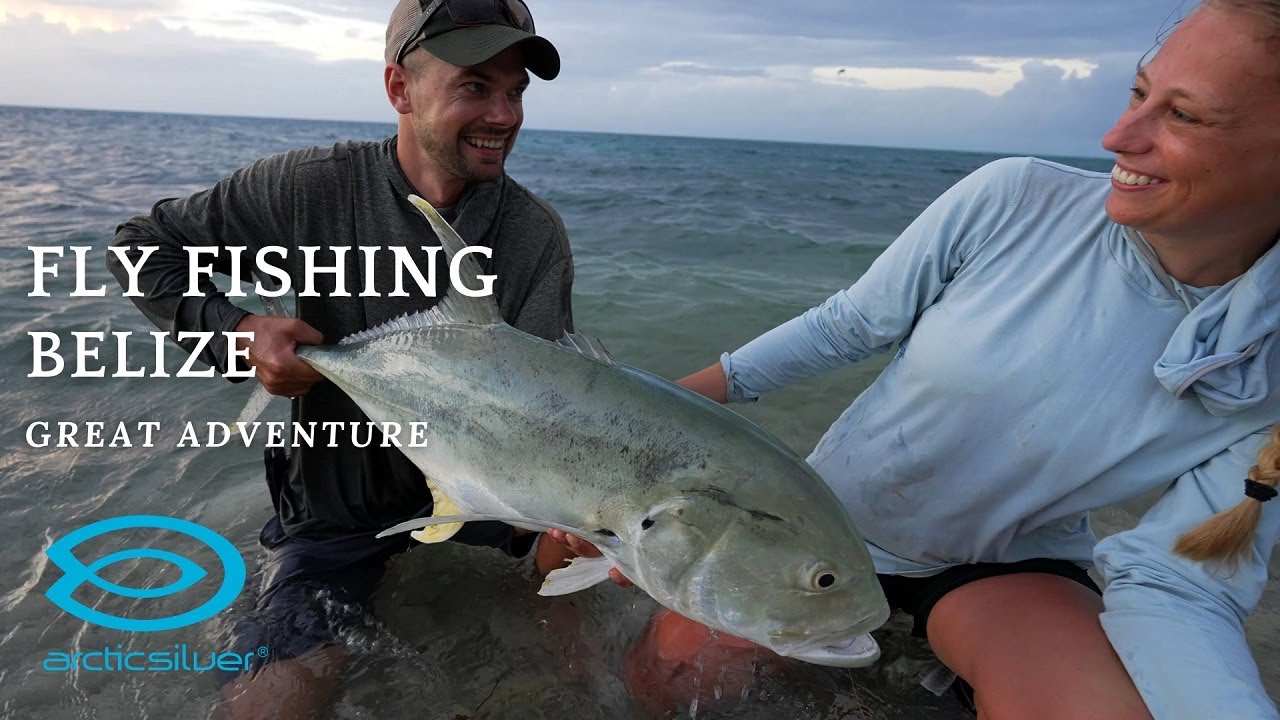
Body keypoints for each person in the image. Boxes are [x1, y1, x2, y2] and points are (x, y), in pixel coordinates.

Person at [658, 1, 1280, 718]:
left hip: (1008, 571)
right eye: (1139, 93)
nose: (1117, 136)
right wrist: (639, 420)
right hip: (828, 526)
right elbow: (847, 326)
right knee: (667, 681)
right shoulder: (1016, 199)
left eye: (1184, 116)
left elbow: (1182, 585)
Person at [108, 1, 582, 718]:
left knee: (569, 682)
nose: (506, 114)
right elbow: (140, 246)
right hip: (335, 519)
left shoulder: (534, 236)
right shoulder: (309, 190)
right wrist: (238, 331)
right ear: (399, 89)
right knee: (271, 703)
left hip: (490, 510)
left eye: (516, 91)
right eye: (476, 87)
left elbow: (549, 411)